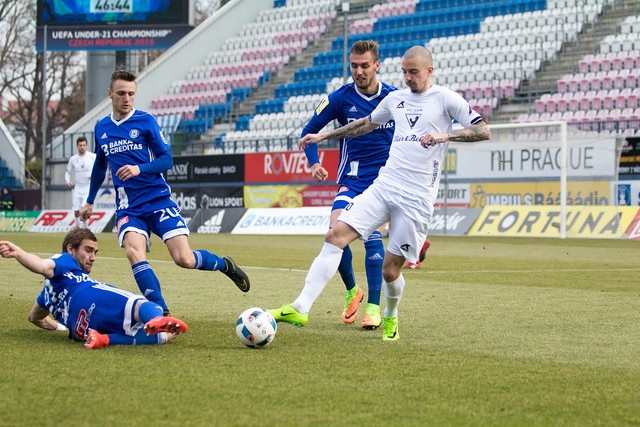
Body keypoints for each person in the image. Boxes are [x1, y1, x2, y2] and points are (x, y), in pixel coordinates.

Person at [268, 46, 490, 340]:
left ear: (429, 71)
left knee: (389, 271)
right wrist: (323, 135)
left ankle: (390, 314)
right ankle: (301, 306)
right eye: (404, 72)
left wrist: (445, 135)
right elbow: (364, 124)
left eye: (414, 72)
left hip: (416, 200)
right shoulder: (395, 99)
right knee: (335, 236)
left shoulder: (446, 99)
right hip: (384, 186)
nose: (408, 78)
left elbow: (483, 130)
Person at [80, 70, 249, 316]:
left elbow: (167, 160)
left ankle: (225, 264)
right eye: (121, 94)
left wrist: (139, 168)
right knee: (133, 252)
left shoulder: (146, 121)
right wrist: (90, 201)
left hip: (157, 200)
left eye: (131, 94)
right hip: (129, 207)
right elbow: (99, 166)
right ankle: (162, 313)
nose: (127, 98)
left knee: (185, 260)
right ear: (110, 95)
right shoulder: (101, 128)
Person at [301, 40, 395, 330]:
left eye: (365, 65)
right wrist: (314, 163)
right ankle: (354, 291)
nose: (359, 71)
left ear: (377, 65)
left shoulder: (394, 98)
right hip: (352, 181)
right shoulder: (340, 98)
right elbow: (308, 133)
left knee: (373, 239)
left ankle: (374, 308)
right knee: (334, 235)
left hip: (384, 183)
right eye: (354, 66)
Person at [0, 228, 188, 349]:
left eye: (95, 252)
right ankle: (157, 318)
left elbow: (35, 318)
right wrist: (18, 253)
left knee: (165, 335)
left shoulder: (46, 296)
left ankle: (104, 339)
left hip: (81, 330)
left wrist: (62, 328)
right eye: (88, 250)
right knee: (147, 306)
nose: (93, 257)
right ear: (71, 249)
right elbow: (43, 266)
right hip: (91, 296)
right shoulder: (65, 259)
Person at [65, 136, 96, 228]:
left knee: (84, 208)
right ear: (77, 146)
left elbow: (100, 168)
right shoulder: (73, 159)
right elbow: (67, 172)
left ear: (86, 146)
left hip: (88, 188)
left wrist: (94, 176)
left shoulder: (92, 156)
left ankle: (85, 229)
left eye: (83, 145)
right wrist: (67, 181)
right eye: (80, 145)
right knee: (76, 210)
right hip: (78, 188)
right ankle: (78, 228)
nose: (82, 147)